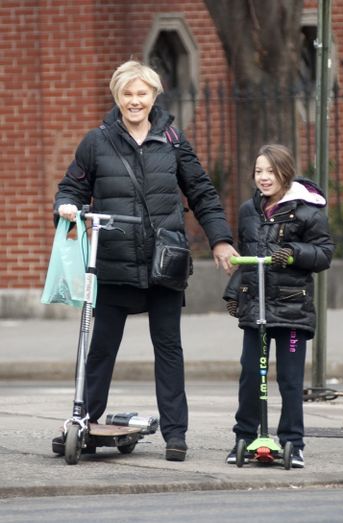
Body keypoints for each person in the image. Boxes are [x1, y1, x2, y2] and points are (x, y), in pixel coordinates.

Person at [53, 60, 238, 461]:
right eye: (127, 94)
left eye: (142, 93)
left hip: (164, 264)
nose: (134, 101)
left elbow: (202, 193)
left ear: (154, 96)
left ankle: (175, 434)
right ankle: (83, 422)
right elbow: (70, 187)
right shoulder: (96, 142)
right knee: (101, 348)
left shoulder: (172, 139)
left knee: (169, 348)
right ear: (116, 96)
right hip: (114, 262)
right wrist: (67, 207)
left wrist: (221, 240)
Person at [223, 144, 334, 468]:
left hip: (291, 309)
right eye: (259, 171)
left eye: (270, 171)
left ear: (284, 172)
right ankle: (244, 436)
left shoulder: (308, 211)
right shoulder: (249, 211)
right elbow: (247, 258)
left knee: (289, 378)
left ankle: (292, 443)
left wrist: (295, 253)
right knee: (249, 375)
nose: (263, 178)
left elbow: (325, 253)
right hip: (256, 307)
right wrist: (235, 295)